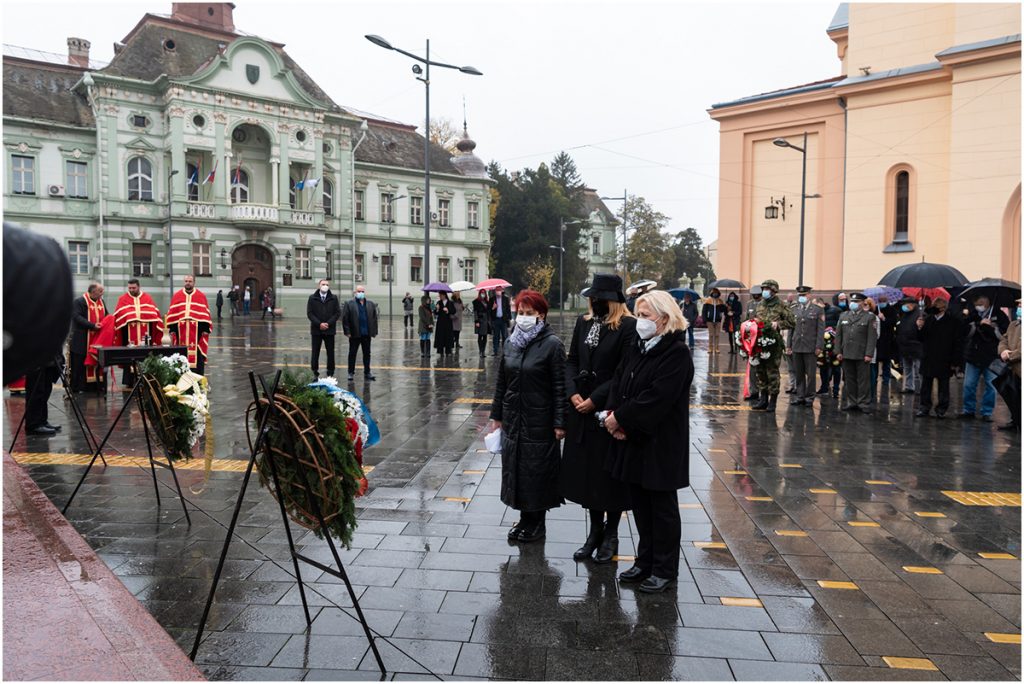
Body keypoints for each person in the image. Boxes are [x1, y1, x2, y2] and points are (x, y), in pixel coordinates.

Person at [604, 290, 693, 593]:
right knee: (640, 505)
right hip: (633, 439)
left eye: (645, 316)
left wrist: (621, 420)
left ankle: (665, 569)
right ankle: (645, 561)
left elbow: (656, 398)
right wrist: (614, 415)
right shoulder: (638, 346)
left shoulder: (676, 353)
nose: (639, 321)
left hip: (660, 443)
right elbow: (620, 381)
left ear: (664, 319)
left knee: (662, 509)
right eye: (638, 315)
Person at [559, 274, 636, 564]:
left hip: (607, 409)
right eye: (593, 297)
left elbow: (623, 370)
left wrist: (596, 400)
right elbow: (572, 361)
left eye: (600, 298)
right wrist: (572, 394)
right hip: (580, 408)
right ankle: (593, 533)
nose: (594, 302)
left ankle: (612, 533)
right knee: (588, 474)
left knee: (608, 474)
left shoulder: (627, 327)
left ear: (613, 301)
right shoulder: (584, 323)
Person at [489, 290, 566, 543]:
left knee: (537, 472)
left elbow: (559, 387)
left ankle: (537, 523)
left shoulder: (552, 345)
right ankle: (524, 518)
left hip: (539, 419)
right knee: (517, 469)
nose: (523, 317)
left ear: (541, 315)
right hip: (514, 418)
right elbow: (502, 381)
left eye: (529, 313)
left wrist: (559, 421)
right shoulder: (511, 341)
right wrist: (497, 415)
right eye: (520, 312)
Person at [959, 295, 1010, 421]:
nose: (979, 306)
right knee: (969, 385)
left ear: (988, 301)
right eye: (977, 303)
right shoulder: (973, 315)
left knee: (991, 386)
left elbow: (1004, 336)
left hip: (992, 357)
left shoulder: (999, 315)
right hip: (974, 354)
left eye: (981, 302)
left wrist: (993, 328)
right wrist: (977, 324)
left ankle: (987, 412)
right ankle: (968, 410)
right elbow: (964, 332)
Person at [751, 279, 795, 412]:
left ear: (774, 290)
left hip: (773, 344)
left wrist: (779, 324)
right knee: (760, 371)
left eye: (767, 289)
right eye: (763, 289)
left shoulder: (781, 305)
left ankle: (773, 401)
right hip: (759, 342)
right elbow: (753, 319)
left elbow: (792, 322)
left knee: (772, 373)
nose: (764, 291)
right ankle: (763, 399)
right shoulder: (760, 304)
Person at [113, 278, 164, 385]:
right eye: (129, 288)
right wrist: (130, 317)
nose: (131, 290)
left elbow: (155, 315)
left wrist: (142, 316)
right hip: (128, 334)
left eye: (133, 288)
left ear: (138, 287)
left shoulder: (147, 297)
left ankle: (146, 380)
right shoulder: (123, 299)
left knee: (145, 356)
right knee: (130, 356)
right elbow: (118, 316)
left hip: (146, 333)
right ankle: (130, 381)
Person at [916, 298, 961, 418]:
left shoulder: (952, 322)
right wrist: (919, 327)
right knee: (926, 385)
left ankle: (941, 409)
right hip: (929, 357)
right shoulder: (929, 320)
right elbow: (921, 338)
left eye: (938, 306)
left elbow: (957, 343)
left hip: (944, 358)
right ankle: (924, 407)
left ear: (944, 308)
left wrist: (955, 362)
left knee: (943, 386)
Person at [836, 292, 878, 413]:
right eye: (853, 301)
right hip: (846, 352)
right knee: (849, 379)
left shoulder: (869, 317)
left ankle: (863, 403)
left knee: (863, 380)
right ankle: (852, 402)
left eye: (857, 302)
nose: (854, 304)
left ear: (862, 303)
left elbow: (872, 337)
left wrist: (869, 354)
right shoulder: (843, 315)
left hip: (861, 353)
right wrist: (838, 351)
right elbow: (839, 335)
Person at [166, 274, 213, 375]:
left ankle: (197, 379)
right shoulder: (177, 295)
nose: (188, 283)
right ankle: (179, 378)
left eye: (190, 281)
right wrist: (172, 329)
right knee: (179, 354)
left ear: (194, 282)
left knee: (197, 355)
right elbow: (173, 315)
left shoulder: (200, 296)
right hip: (180, 332)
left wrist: (205, 330)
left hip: (197, 331)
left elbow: (205, 315)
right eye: (186, 281)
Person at [787, 285, 824, 406]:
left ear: (809, 295)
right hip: (797, 345)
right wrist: (789, 345)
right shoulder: (794, 309)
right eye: (800, 295)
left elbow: (820, 330)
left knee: (811, 375)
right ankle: (800, 396)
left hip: (810, 346)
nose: (802, 297)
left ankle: (809, 397)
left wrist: (819, 346)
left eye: (804, 295)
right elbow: (790, 329)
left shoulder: (818, 310)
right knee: (799, 373)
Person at [70, 282, 107, 393]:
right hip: (81, 339)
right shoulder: (79, 302)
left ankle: (95, 387)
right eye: (100, 291)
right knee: (79, 364)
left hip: (97, 338)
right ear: (93, 292)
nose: (102, 293)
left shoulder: (101, 302)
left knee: (97, 362)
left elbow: (106, 316)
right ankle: (78, 388)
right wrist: (92, 325)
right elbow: (76, 317)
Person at [342, 285, 379, 381]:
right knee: (352, 353)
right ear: (355, 292)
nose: (360, 293)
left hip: (366, 334)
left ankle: (367, 372)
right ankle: (350, 372)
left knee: (367, 353)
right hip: (355, 334)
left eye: (362, 291)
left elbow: (374, 318)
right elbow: (345, 318)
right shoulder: (349, 303)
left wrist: (374, 331)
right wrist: (347, 332)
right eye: (359, 291)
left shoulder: (370, 304)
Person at [996, 299, 1021, 431]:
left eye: (1021, 305)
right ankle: (1015, 420)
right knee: (1013, 395)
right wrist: (1003, 351)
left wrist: (1010, 356)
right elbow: (1004, 339)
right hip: (1013, 369)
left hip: (1019, 366)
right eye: (1019, 305)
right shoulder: (1013, 324)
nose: (1019, 308)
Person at [307, 278, 340, 378]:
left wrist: (328, 323)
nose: (325, 286)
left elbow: (337, 313)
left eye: (327, 285)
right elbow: (310, 313)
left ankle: (330, 372)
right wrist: (319, 324)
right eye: (323, 284)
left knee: (330, 352)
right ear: (319, 286)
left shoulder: (334, 298)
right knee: (315, 352)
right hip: (316, 330)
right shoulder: (312, 298)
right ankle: (314, 372)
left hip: (329, 330)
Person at [23, 357, 63, 436]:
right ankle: (33, 424)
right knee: (36, 391)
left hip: (48, 358)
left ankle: (42, 420)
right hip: (35, 358)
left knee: (46, 389)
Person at [819, 293, 846, 396]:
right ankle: (824, 387)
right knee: (823, 367)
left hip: (834, 343)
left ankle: (836, 389)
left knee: (836, 368)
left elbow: (841, 326)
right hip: (823, 344)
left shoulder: (836, 311)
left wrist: (831, 331)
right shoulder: (818, 313)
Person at [896, 297, 923, 395]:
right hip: (905, 346)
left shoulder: (920, 315)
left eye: (906, 304)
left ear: (912, 305)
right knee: (907, 368)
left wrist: (920, 326)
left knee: (918, 369)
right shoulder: (904, 315)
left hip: (916, 346)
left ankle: (921, 388)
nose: (904, 307)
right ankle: (909, 386)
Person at [873, 295, 898, 402]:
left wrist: (884, 319)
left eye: (883, 301)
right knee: (875, 361)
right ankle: (874, 379)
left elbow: (893, 323)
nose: (881, 303)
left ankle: (886, 380)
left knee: (886, 362)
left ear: (886, 301)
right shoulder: (875, 310)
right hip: (877, 340)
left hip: (887, 340)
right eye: (880, 301)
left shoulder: (891, 310)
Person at [743, 285, 763, 401]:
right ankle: (754, 392)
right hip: (751, 339)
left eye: (757, 295)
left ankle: (763, 392)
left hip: (761, 338)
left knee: (761, 367)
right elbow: (746, 319)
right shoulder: (750, 303)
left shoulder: (764, 304)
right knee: (752, 366)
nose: (755, 297)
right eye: (753, 295)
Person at [701, 288, 726, 354]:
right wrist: (705, 319)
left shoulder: (720, 301)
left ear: (718, 294)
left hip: (718, 320)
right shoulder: (708, 301)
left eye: (716, 293)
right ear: (712, 294)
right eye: (714, 293)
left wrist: (724, 305)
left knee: (717, 335)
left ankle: (717, 348)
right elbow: (704, 311)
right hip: (710, 320)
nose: (715, 294)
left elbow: (723, 310)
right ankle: (710, 348)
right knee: (711, 335)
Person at [490, 286, 511, 354]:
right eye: (497, 290)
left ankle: (504, 351)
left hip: (503, 320)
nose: (498, 291)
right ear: (495, 291)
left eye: (499, 290)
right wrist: (493, 308)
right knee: (496, 336)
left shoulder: (505, 299)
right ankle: (495, 351)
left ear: (502, 290)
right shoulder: (492, 299)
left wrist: (509, 318)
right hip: (496, 320)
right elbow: (489, 310)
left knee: (505, 336)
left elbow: (508, 309)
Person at [433, 291, 456, 356]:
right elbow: (435, 312)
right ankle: (440, 350)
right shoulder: (439, 303)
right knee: (440, 336)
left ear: (444, 295)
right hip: (440, 322)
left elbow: (454, 311)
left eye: (440, 295)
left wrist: (448, 311)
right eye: (439, 295)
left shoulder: (450, 303)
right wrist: (437, 309)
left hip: (448, 322)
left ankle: (448, 350)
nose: (440, 296)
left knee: (448, 336)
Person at [472, 290, 491, 356]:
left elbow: (489, 311)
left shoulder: (487, 302)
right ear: (479, 294)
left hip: (486, 321)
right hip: (480, 320)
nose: (483, 294)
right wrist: (476, 321)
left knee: (485, 336)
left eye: (484, 293)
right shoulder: (476, 302)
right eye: (482, 293)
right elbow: (475, 312)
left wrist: (492, 308)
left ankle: (483, 351)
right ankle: (480, 351)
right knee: (480, 336)